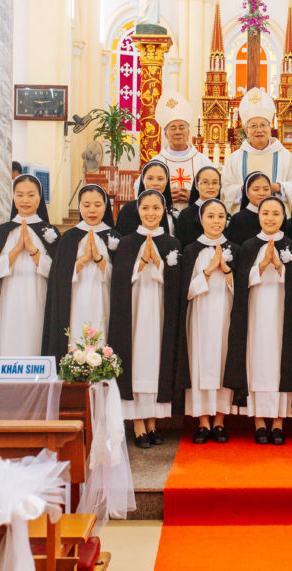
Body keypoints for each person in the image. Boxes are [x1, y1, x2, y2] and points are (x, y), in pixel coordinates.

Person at [224, 197, 292, 446]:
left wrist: (281, 268)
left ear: (283, 216)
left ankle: (279, 422)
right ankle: (260, 422)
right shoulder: (249, 246)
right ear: (259, 216)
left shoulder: (291, 246)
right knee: (257, 362)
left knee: (280, 362)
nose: (270, 218)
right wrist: (261, 266)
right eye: (265, 213)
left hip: (282, 314)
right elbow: (240, 283)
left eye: (276, 213)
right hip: (255, 313)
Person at [108, 189, 182, 449]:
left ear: (164, 211)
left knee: (156, 361)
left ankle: (153, 422)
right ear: (138, 211)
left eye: (156, 208)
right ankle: (138, 423)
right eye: (146, 208)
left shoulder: (173, 244)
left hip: (160, 311)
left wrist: (158, 264)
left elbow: (177, 285)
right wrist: (141, 264)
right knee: (137, 360)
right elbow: (119, 283)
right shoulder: (127, 243)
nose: (151, 213)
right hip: (134, 312)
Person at [0, 175, 59, 375]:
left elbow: (56, 274)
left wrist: (33, 251)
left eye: (31, 195)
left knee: (35, 338)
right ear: (13, 197)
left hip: (38, 296)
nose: (25, 200)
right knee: (9, 339)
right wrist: (16, 250)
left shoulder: (49, 232)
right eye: (19, 195)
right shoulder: (2, 232)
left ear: (40, 197)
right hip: (9, 297)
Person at [173, 199, 239, 444]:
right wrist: (209, 271)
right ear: (201, 219)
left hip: (226, 314)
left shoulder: (235, 249)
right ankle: (202, 421)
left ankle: (220, 421)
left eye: (220, 216)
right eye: (210, 216)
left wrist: (227, 270)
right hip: (200, 315)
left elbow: (242, 291)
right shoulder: (191, 250)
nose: (216, 221)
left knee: (223, 362)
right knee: (200, 363)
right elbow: (186, 291)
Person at [42, 185, 118, 358]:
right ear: (79, 207)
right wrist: (83, 260)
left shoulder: (113, 236)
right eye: (86, 205)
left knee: (102, 336)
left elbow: (119, 279)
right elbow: (60, 277)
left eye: (97, 205)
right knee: (77, 335)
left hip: (103, 297)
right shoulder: (69, 237)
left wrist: (98, 259)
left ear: (105, 206)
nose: (92, 210)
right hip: (76, 298)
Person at [221, 87, 292, 213]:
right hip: (244, 218)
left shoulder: (285, 157)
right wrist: (243, 189)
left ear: (270, 128)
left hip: (275, 218)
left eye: (263, 125)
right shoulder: (235, 158)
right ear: (246, 131)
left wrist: (278, 187)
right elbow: (225, 189)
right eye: (253, 126)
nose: (259, 130)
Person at [151, 91, 215, 212]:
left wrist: (195, 197)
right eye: (173, 128)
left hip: (196, 217)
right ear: (166, 134)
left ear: (188, 132)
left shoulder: (203, 162)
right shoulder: (156, 162)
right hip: (163, 217)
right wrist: (165, 197)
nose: (178, 132)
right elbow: (141, 190)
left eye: (181, 127)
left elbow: (216, 191)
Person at [116, 160, 175, 236]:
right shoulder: (128, 209)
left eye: (160, 179)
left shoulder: (172, 213)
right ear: (143, 180)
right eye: (150, 178)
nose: (155, 183)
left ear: (166, 181)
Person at [174, 166, 223, 249]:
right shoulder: (185, 215)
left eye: (215, 183)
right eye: (205, 182)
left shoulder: (224, 214)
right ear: (196, 186)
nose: (210, 186)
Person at [224, 172, 273, 246]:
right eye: (256, 189)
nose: (261, 193)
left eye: (266, 189)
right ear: (247, 193)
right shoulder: (238, 219)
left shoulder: (278, 216)